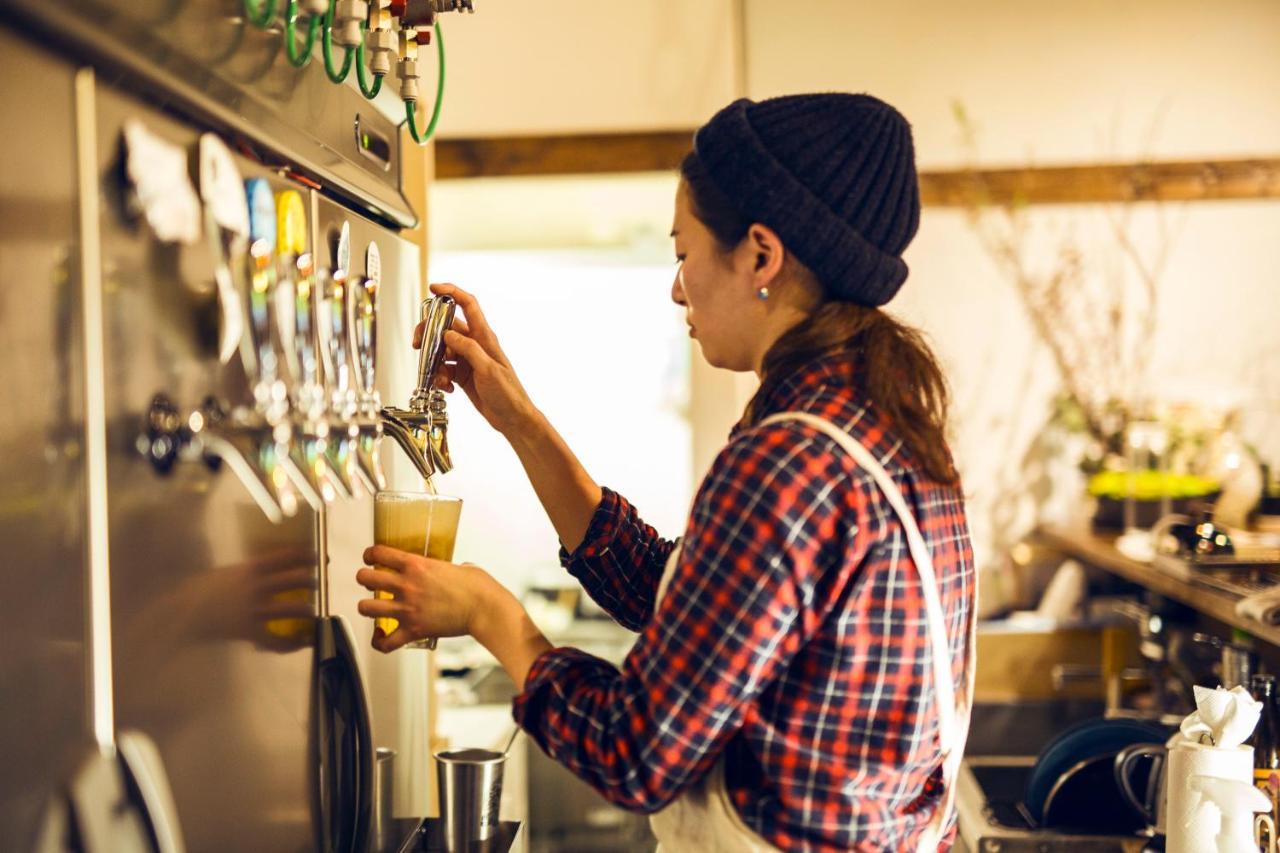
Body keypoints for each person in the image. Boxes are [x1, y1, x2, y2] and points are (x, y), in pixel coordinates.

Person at [355, 93, 977, 851]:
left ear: (760, 255)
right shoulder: (879, 425)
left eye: (683, 253)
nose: (676, 286)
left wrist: (490, 612)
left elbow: (637, 752)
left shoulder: (787, 462)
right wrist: (517, 416)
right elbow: (685, 603)